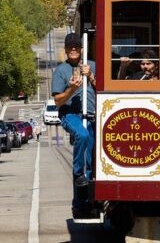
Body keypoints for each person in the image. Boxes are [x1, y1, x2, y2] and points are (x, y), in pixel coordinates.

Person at [51, 33, 96, 218]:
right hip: (71, 115)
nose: (74, 49)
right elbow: (58, 101)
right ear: (66, 50)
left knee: (91, 162)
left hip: (92, 115)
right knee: (82, 136)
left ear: (82, 48)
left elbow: (105, 89)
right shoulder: (61, 71)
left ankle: (84, 205)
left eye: (76, 46)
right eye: (70, 47)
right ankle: (77, 174)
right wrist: (72, 89)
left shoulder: (91, 65)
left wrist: (91, 76)